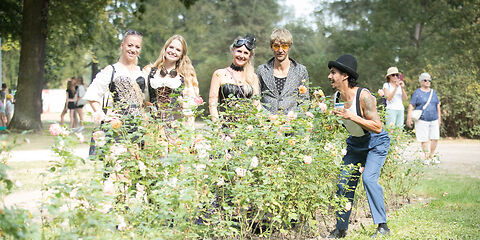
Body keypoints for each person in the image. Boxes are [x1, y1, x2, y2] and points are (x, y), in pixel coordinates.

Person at [327, 54, 390, 238]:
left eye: (333, 73)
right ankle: (341, 229)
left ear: (345, 75)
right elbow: (342, 124)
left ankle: (382, 226)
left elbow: (378, 127)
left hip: (375, 142)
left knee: (369, 179)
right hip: (355, 144)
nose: (329, 76)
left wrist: (351, 116)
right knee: (343, 183)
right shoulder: (336, 98)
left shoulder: (364, 96)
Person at [83, 29, 146, 124]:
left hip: (139, 127)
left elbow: (148, 99)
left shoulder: (142, 72)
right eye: (130, 45)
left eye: (137, 47)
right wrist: (102, 114)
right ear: (122, 45)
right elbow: (92, 94)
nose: (133, 50)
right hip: (118, 126)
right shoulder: (111, 70)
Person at [145, 34, 200, 127]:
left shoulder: (185, 77)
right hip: (152, 126)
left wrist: (186, 132)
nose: (173, 51)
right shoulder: (149, 71)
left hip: (176, 129)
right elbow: (143, 99)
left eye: (178, 50)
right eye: (171, 47)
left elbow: (189, 108)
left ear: (181, 55)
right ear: (165, 49)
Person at [256, 28, 309, 115]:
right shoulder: (262, 70)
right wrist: (268, 117)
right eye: (276, 46)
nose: (280, 50)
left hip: (292, 125)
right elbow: (256, 99)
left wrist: (293, 117)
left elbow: (304, 101)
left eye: (284, 46)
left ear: (290, 47)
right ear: (271, 47)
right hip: (266, 125)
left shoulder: (301, 71)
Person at [209, 34, 260, 122]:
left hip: (247, 128)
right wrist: (217, 127)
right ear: (233, 51)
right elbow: (212, 103)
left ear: (249, 56)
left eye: (246, 53)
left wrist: (257, 125)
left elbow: (256, 105)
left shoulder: (253, 77)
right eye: (239, 51)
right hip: (224, 127)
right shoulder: (219, 74)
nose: (242, 56)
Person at [406, 72, 441, 160]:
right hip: (422, 119)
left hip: (434, 119)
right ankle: (426, 157)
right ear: (421, 81)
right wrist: (409, 118)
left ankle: (432, 156)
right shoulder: (417, 92)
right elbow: (411, 105)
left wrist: (439, 118)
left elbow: (437, 106)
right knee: (424, 139)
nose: (428, 82)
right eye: (425, 80)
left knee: (435, 138)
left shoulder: (433, 92)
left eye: (429, 80)